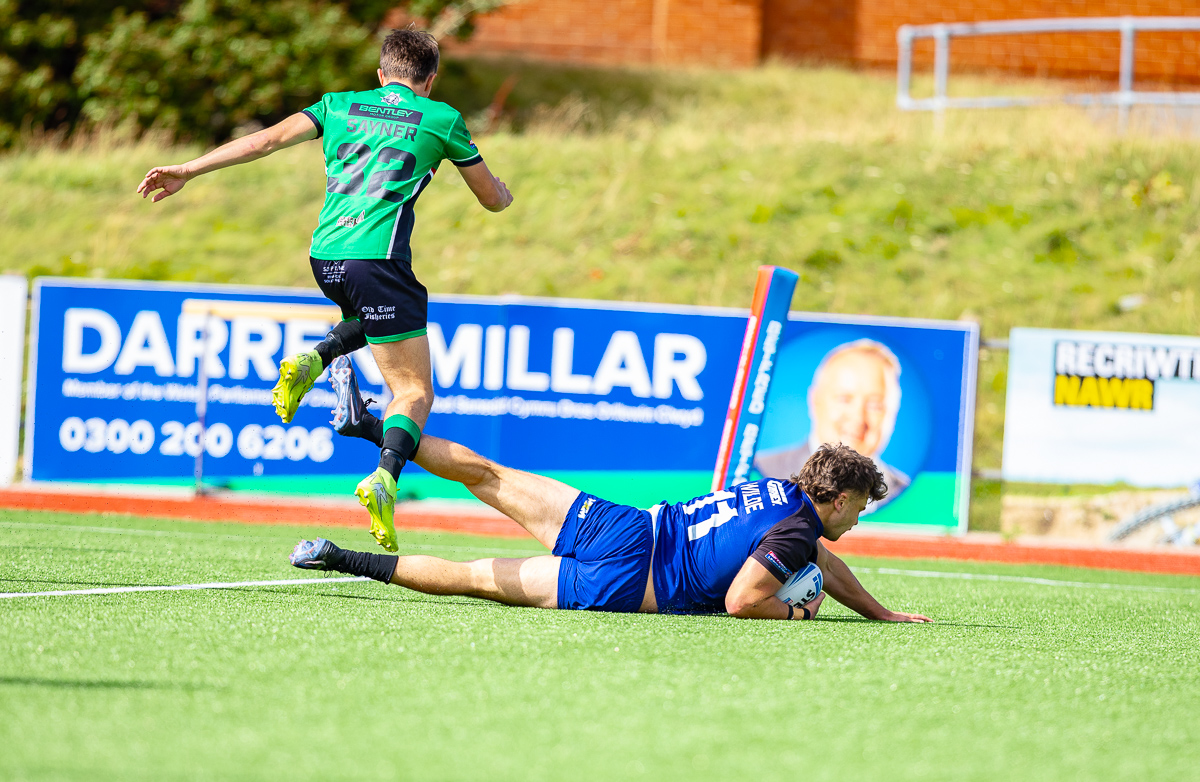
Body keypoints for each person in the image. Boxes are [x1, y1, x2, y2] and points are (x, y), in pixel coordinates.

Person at [136, 29, 512, 553]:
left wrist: (188, 170)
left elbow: (264, 141)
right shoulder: (441, 117)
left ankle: (315, 359)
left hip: (325, 257)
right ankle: (385, 478)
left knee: (384, 317)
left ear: (380, 74)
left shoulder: (337, 104)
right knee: (413, 391)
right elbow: (491, 198)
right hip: (377, 260)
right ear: (430, 80)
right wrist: (505, 195)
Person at [290, 362, 932, 622]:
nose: (858, 519)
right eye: (859, 507)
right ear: (839, 499)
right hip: (628, 583)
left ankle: (369, 425)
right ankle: (338, 557)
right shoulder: (797, 531)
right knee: (474, 578)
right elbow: (742, 602)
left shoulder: (779, 491)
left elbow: (823, 563)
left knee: (486, 474)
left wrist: (880, 613)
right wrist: (797, 614)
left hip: (623, 526)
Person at [755, 339, 910, 507]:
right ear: (815, 400)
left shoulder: (909, 494)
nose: (858, 417)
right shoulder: (757, 473)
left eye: (875, 405)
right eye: (844, 399)